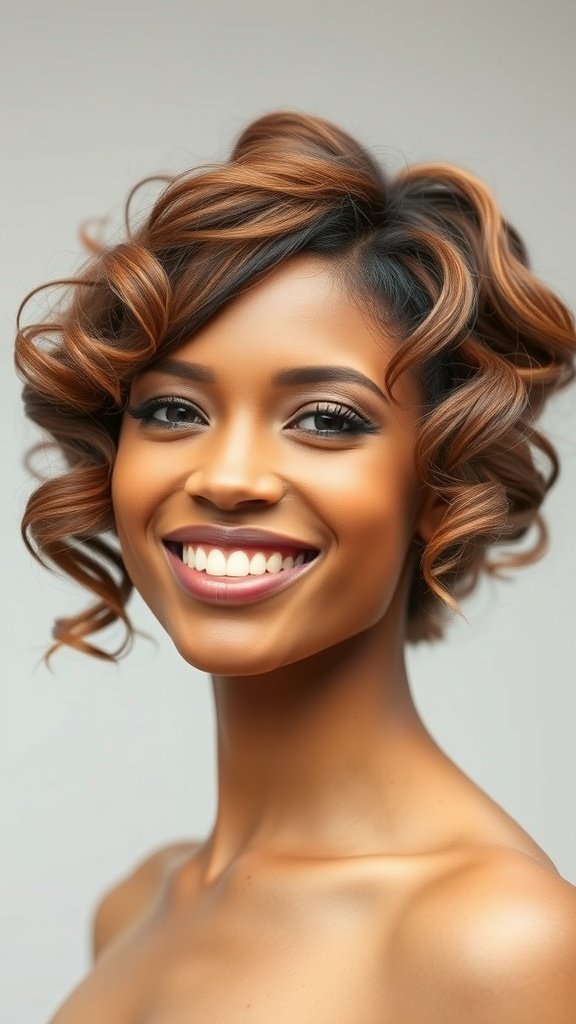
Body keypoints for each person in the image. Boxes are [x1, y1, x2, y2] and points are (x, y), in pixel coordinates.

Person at [15, 110, 576, 1022]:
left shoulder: (502, 944)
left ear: (441, 484)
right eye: (171, 412)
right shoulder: (135, 907)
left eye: (325, 419)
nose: (227, 478)